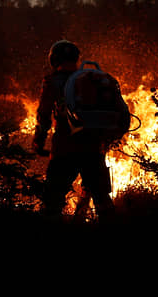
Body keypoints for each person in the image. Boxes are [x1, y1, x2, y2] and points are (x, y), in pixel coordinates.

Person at [32, 40, 115, 221]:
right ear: (77, 58)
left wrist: (38, 140)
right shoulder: (92, 79)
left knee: (52, 201)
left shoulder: (53, 81)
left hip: (64, 149)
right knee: (102, 199)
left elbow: (44, 115)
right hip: (93, 148)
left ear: (54, 59)